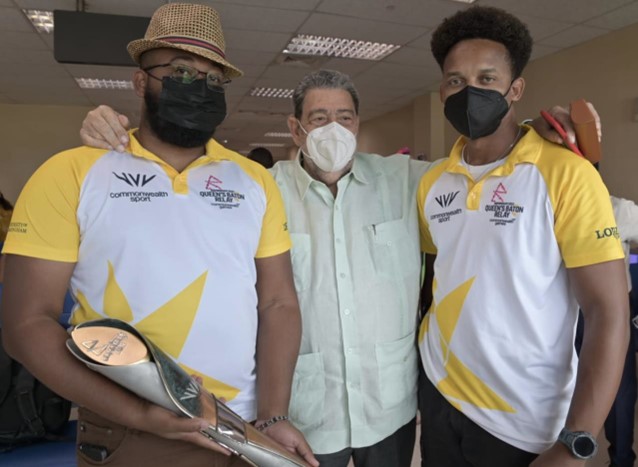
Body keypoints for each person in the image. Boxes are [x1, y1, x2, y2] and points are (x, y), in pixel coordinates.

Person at [77, 69, 594, 467]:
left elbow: (484, 165)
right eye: (319, 118)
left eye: (345, 117)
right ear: (295, 127)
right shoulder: (257, 189)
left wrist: (542, 133)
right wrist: (117, 137)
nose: (334, 129)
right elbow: (177, 195)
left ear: (359, 124)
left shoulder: (406, 180)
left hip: (387, 407)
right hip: (300, 410)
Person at [0, 4, 318, 467]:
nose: (199, 87)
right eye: (182, 70)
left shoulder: (255, 181)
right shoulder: (71, 173)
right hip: (132, 432)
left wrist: (270, 418)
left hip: (244, 431)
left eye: (213, 79)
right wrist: (144, 415)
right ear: (139, 81)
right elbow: (26, 327)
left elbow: (278, 303)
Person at [417, 5, 629, 466]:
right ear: (441, 91)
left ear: (515, 90)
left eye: (486, 79)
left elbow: (608, 311)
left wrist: (578, 440)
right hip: (439, 392)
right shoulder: (433, 182)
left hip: (522, 418)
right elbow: (440, 277)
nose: (469, 91)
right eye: (455, 80)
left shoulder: (565, 174)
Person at [575, 192, 638, 467]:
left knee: (619, 391)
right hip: (564, 314)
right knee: (560, 386)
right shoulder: (545, 205)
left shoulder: (618, 209)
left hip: (613, 311)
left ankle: (621, 459)